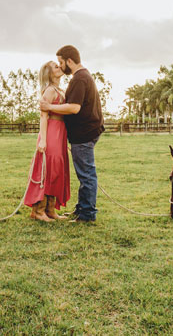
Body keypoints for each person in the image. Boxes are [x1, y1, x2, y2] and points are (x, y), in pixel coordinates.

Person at [39, 45, 104, 222]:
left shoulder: (79, 79)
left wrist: (49, 106)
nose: (60, 67)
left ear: (69, 61)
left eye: (61, 62)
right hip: (85, 133)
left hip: (84, 134)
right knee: (85, 174)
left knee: (86, 175)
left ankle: (87, 214)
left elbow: (74, 108)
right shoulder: (83, 77)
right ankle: (82, 208)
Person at [23, 61, 71, 221]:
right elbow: (43, 115)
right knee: (47, 168)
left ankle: (50, 209)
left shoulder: (61, 90)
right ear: (49, 73)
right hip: (50, 131)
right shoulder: (50, 90)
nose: (60, 67)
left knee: (56, 169)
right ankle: (38, 211)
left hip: (60, 132)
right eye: (56, 67)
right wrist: (43, 140)